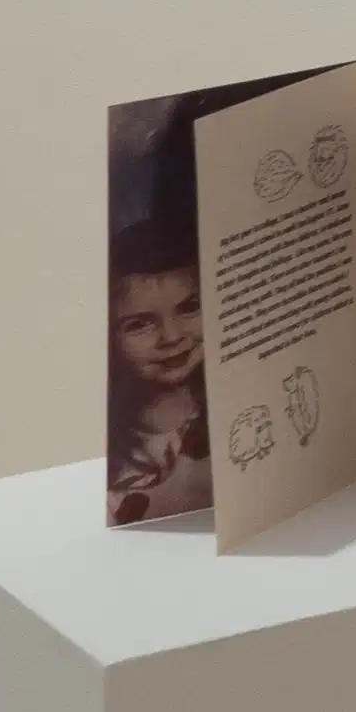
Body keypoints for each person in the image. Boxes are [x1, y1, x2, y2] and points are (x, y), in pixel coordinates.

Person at [107, 217, 214, 523]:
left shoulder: (232, 404)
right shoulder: (110, 458)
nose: (171, 337)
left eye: (190, 307)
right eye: (139, 324)